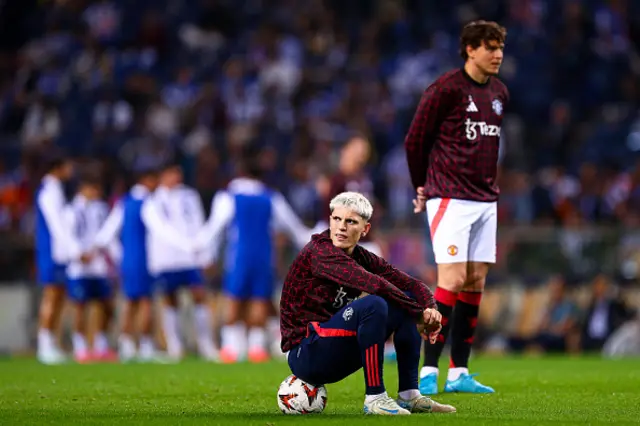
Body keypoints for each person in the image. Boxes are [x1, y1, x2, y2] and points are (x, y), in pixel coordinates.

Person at [404, 20, 509, 394]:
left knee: (475, 281)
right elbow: (415, 140)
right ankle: (428, 371)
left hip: (486, 199)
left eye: (500, 47)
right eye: (490, 47)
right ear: (470, 49)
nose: (497, 54)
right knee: (450, 279)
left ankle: (458, 372)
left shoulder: (499, 93)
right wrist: (421, 184)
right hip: (449, 196)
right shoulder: (444, 90)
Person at [281, 191, 456, 415]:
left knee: (404, 300)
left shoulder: (362, 256)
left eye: (350, 221)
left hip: (333, 345)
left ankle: (409, 395)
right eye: (336, 219)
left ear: (365, 229)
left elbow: (410, 284)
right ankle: (375, 398)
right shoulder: (320, 252)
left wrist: (430, 308)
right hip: (306, 353)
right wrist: (419, 313)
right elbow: (376, 285)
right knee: (375, 303)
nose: (341, 227)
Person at [195, 148, 312, 363]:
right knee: (260, 299)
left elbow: (215, 227)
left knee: (234, 299)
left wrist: (199, 248)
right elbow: (293, 228)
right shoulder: (271, 197)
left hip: (239, 255)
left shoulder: (229, 196)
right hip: (263, 256)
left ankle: (231, 347)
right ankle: (256, 348)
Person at [93, 167, 195, 362]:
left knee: (131, 302)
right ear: (147, 180)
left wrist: (119, 255)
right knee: (146, 302)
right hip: (145, 258)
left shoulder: (124, 202)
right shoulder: (147, 203)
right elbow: (162, 230)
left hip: (129, 259)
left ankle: (127, 344)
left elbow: (105, 236)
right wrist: (186, 245)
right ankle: (145, 345)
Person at [148, 162, 217, 361]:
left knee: (199, 296)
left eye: (178, 173)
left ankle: (205, 344)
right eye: (171, 173)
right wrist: (186, 245)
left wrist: (205, 254)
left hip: (190, 258)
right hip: (166, 259)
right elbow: (161, 230)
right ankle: (175, 346)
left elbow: (199, 223)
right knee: (170, 301)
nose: (176, 177)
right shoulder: (153, 200)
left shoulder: (189, 196)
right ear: (163, 175)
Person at [35, 153, 84, 364]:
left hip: (59, 251)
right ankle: (44, 345)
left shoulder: (56, 190)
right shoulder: (48, 191)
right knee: (51, 296)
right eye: (68, 167)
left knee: (60, 296)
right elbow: (56, 224)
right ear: (58, 167)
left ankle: (51, 343)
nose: (71, 171)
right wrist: (72, 249)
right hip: (51, 251)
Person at [64, 175, 118, 363]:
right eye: (94, 189)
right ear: (83, 189)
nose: (97, 193)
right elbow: (66, 235)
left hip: (99, 265)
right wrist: (78, 253)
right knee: (80, 306)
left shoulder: (101, 209)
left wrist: (115, 258)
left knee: (106, 305)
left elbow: (107, 235)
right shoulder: (71, 210)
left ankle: (101, 344)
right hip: (79, 266)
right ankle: (80, 347)